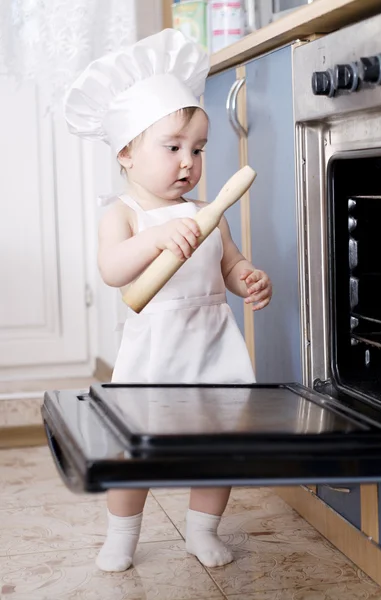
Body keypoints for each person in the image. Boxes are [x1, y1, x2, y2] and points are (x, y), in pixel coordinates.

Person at [63, 28, 272, 573]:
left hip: (212, 348)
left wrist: (247, 277)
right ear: (127, 152)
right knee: (136, 452)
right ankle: (122, 537)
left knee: (218, 449)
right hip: (155, 352)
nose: (188, 163)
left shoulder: (209, 213)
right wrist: (153, 239)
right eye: (173, 147)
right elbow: (112, 269)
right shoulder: (124, 215)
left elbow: (227, 263)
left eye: (198, 149)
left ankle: (202, 531)